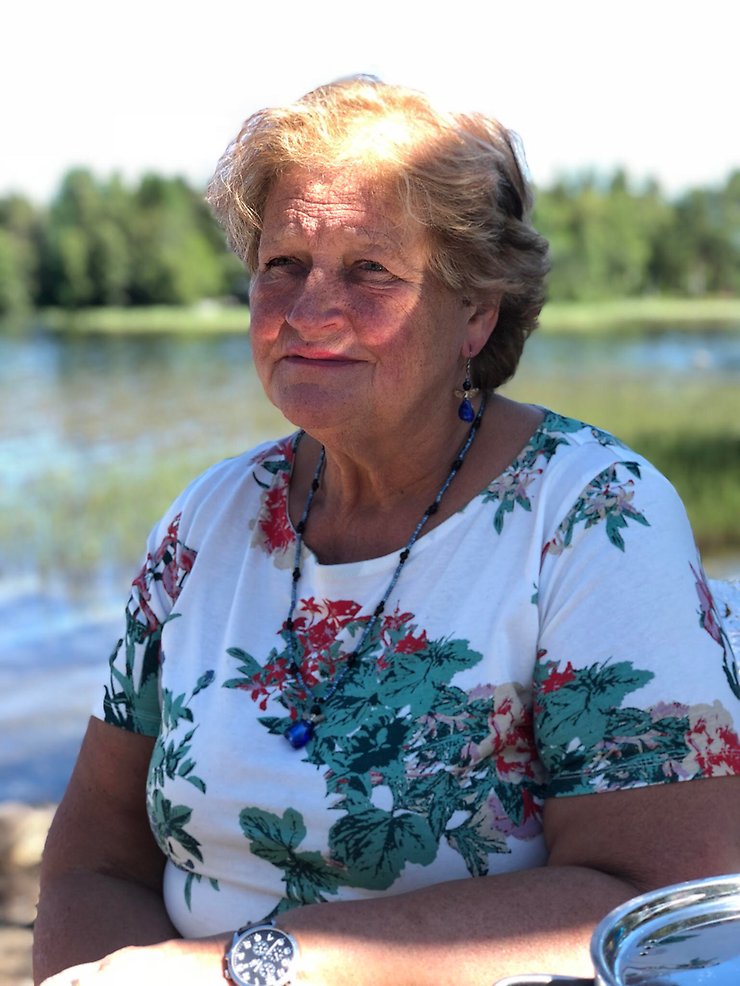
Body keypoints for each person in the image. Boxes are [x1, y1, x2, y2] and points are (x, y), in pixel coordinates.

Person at [34, 76, 740, 986]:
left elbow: (661, 902)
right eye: (283, 263)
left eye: (370, 270)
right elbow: (94, 861)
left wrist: (250, 967)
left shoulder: (594, 515)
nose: (307, 310)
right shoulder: (206, 520)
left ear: (476, 313)